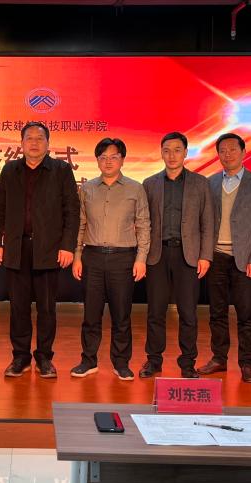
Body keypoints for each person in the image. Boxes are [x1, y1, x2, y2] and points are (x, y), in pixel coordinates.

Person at [0, 122, 80, 378]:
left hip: (49, 250)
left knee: (47, 308)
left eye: (39, 138)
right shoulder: (10, 170)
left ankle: (44, 357)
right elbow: (0, 210)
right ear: (21, 143)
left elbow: (72, 211)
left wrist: (67, 246)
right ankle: (20, 357)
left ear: (48, 144)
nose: (34, 143)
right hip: (16, 249)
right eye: (29, 138)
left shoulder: (61, 170)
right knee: (18, 307)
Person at [71, 138, 150, 380]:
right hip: (92, 257)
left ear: (122, 160)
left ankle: (121, 363)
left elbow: (144, 225)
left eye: (114, 157)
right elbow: (80, 224)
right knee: (91, 315)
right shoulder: (87, 189)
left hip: (123, 259)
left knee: (121, 316)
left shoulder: (135, 189)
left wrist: (141, 258)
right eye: (103, 157)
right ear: (97, 160)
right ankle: (88, 361)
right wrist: (77, 256)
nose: (108, 161)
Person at [199, 133, 251, 384]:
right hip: (216, 256)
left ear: (243, 152)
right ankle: (219, 358)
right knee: (217, 312)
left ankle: (247, 363)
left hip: (245, 259)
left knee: (246, 314)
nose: (227, 154)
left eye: (232, 149)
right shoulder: (210, 182)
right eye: (222, 150)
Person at [141, 132, 213, 379]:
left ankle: (187, 362)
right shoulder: (150, 184)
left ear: (185, 153)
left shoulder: (200, 183)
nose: (171, 155)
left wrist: (205, 256)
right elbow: (143, 222)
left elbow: (208, 222)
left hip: (188, 255)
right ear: (161, 153)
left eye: (177, 150)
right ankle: (153, 360)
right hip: (157, 254)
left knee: (188, 312)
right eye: (167, 150)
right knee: (155, 311)